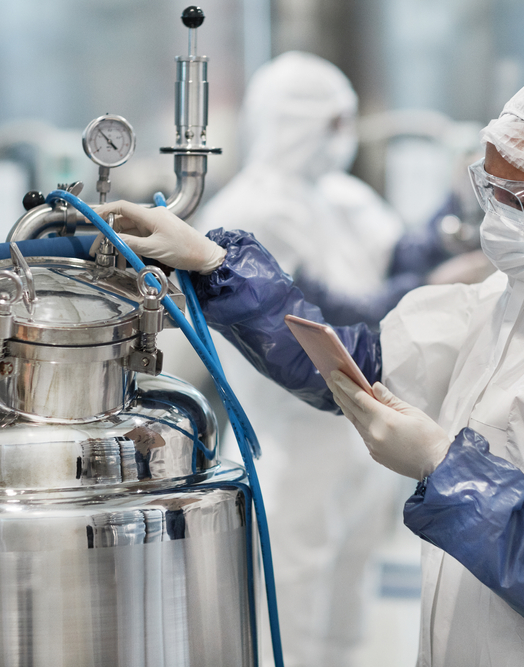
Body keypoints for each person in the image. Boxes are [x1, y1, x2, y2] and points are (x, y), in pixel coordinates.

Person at [97, 65, 524, 666]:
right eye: (488, 189)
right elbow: (355, 366)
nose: (495, 215)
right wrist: (214, 264)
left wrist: (446, 471)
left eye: (518, 198)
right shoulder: (504, 306)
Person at [193, 51, 454, 667]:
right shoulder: (250, 211)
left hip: (357, 444)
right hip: (288, 446)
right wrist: (435, 286)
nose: (344, 139)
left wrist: (453, 222)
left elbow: (400, 260)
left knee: (346, 614)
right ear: (296, 122)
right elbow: (316, 321)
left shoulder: (340, 195)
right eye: (333, 123)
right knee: (289, 616)